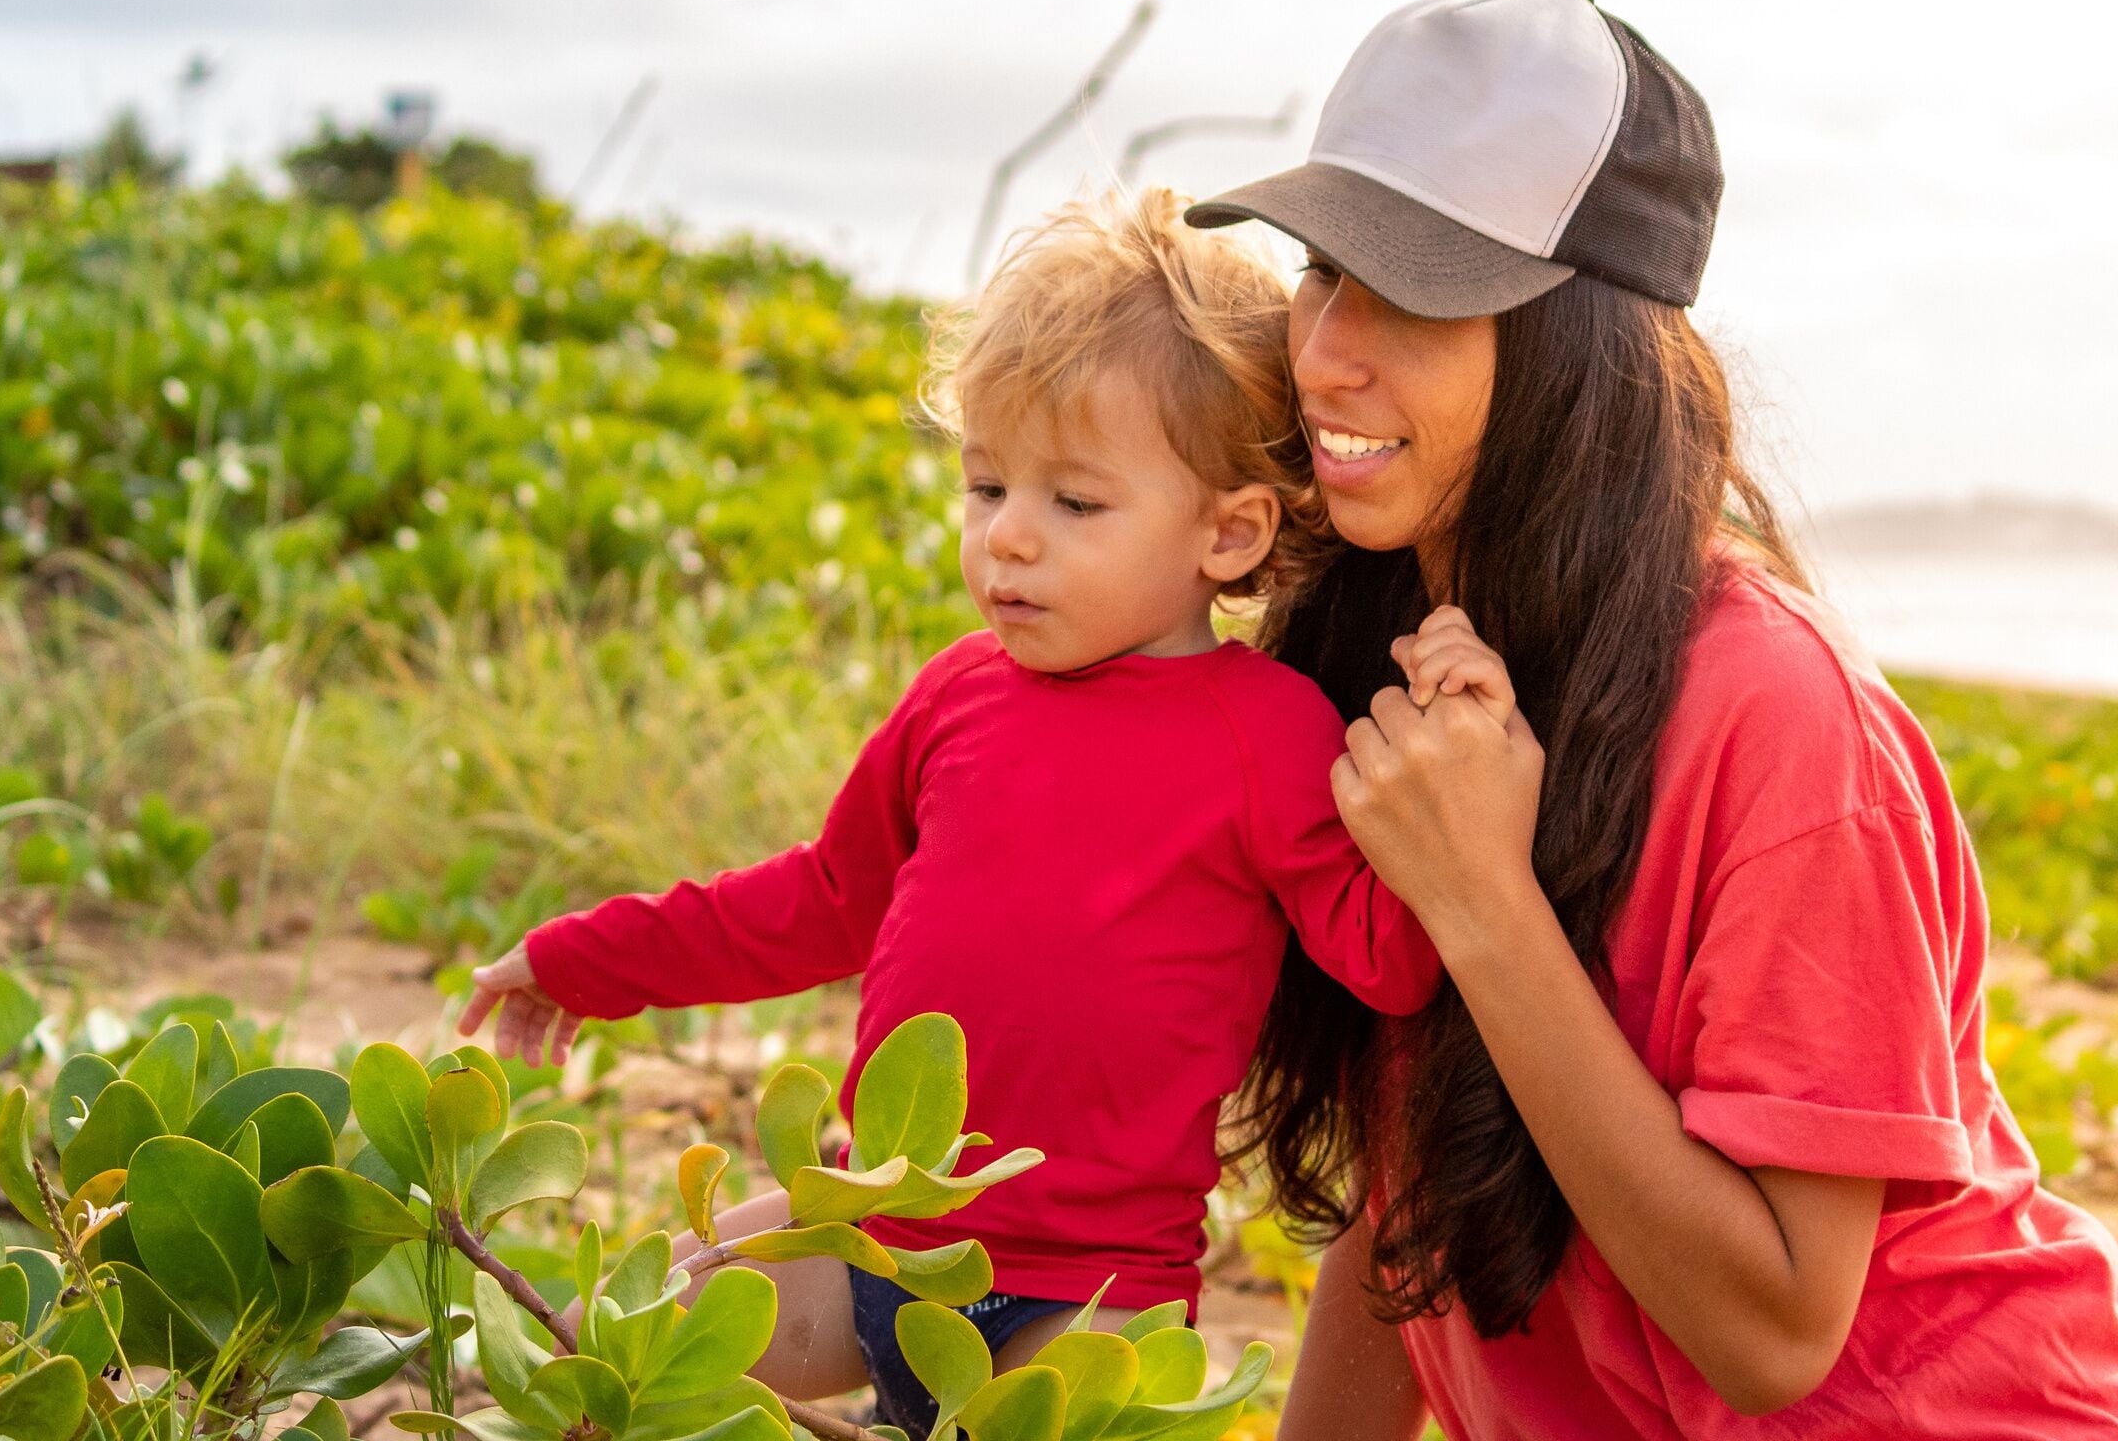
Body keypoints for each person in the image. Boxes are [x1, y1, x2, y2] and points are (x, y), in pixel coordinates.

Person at [1195, 0, 2118, 1438]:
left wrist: (1482, 905)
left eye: (1410, 294)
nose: (1329, 351)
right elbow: (1413, 1201)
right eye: (1322, 273)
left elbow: (1778, 1329)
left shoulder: (1775, 716)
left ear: (1573, 353)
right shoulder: (1392, 641)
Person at [454, 191, 1441, 1430]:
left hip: (1087, 1297)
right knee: (612, 1353)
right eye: (986, 486)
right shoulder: (957, 694)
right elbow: (818, 901)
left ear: (1229, 533)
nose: (1008, 540)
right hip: (867, 1235)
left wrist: (1455, 788)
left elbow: (1389, 961)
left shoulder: (1271, 731)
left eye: (1074, 503)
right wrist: (583, 956)